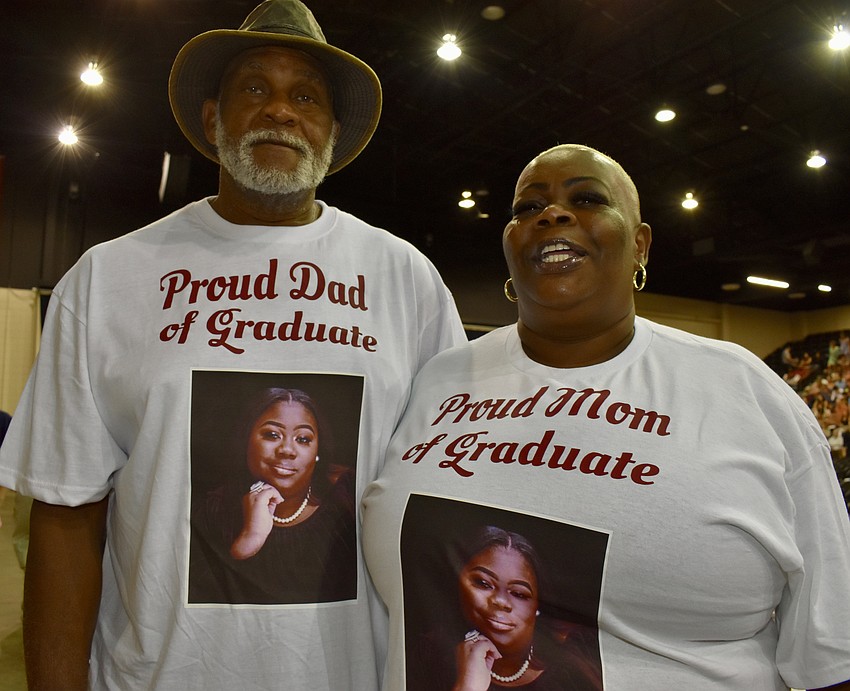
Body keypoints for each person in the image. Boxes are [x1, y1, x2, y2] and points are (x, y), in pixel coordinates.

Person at [0, 0, 466, 688]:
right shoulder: (108, 278)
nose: (280, 110)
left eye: (304, 96)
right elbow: (67, 516)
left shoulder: (407, 282)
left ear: (332, 132)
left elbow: (445, 510)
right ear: (213, 119)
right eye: (255, 88)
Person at [362, 144, 850, 690]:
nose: (552, 214)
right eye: (527, 208)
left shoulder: (745, 391)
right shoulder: (440, 380)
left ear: (640, 244)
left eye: (587, 198)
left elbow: (833, 653)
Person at [189, 387, 357, 604]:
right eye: (272, 435)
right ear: (247, 440)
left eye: (303, 439)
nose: (287, 450)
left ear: (318, 452)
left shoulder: (347, 501)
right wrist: (250, 539)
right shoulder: (212, 511)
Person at [408, 525, 601, 691]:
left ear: (537, 606)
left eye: (519, 594)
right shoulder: (430, 654)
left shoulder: (572, 673)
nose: (500, 601)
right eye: (483, 583)